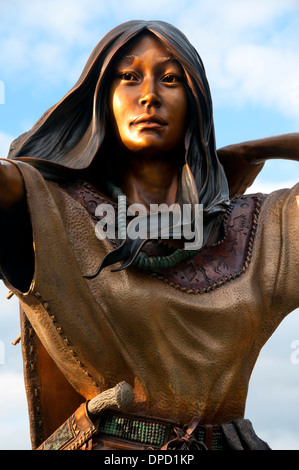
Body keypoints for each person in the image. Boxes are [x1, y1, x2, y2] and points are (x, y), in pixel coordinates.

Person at [0, 20, 298, 450]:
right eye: (128, 77)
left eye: (172, 79)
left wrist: (253, 150)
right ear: (102, 98)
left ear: (196, 102)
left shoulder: (263, 226)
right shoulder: (48, 207)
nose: (149, 96)